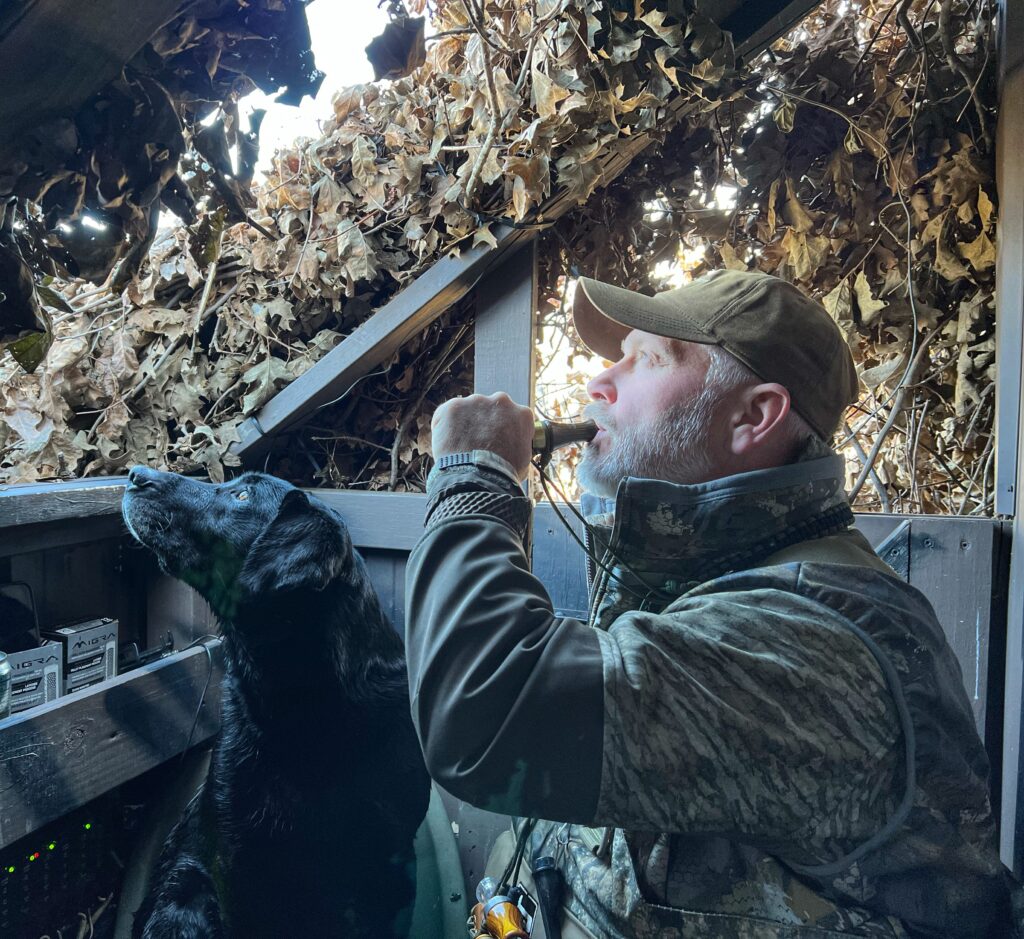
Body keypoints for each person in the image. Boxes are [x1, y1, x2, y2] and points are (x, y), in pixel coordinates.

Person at [404, 269, 1011, 937]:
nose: (599, 382)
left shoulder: (812, 637)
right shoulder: (714, 575)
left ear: (754, 416)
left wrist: (474, 478)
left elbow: (486, 714)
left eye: (648, 359)